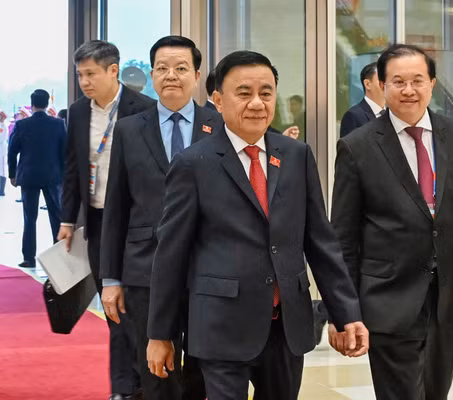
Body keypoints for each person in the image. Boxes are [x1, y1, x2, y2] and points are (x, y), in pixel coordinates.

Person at [146, 50, 368, 400]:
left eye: (266, 93)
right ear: (218, 100)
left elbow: (321, 243)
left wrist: (346, 313)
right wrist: (161, 334)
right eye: (244, 93)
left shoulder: (296, 155)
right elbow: (170, 255)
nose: (257, 103)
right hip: (221, 325)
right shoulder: (194, 164)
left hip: (287, 326)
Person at [330, 44, 453, 400]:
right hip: (388, 299)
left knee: (435, 391)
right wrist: (341, 310)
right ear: (381, 85)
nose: (408, 90)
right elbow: (343, 236)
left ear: (432, 83)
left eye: (417, 80)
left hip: (450, 299)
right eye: (398, 81)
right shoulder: (357, 147)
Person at [100, 35, 220, 400]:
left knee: (203, 368)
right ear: (152, 75)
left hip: (207, 268)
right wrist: (111, 278)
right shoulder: (129, 129)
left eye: (181, 68)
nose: (171, 75)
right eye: (162, 68)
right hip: (144, 268)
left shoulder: (218, 125)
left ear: (196, 76)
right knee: (154, 369)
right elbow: (116, 206)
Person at [57, 40, 155, 400]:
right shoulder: (78, 112)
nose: (85, 82)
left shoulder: (143, 109)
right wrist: (68, 220)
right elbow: (72, 169)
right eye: (80, 75)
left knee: (137, 307)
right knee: (111, 304)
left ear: (113, 71)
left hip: (136, 224)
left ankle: (144, 380)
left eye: (91, 74)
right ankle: (123, 387)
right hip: (98, 222)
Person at [7, 90, 66, 268]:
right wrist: (64, 175)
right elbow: (65, 151)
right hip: (52, 176)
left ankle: (29, 258)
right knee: (56, 217)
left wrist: (12, 174)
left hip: (29, 177)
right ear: (47, 104)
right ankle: (59, 257)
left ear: (32, 105)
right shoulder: (58, 124)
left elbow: (12, 151)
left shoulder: (22, 125)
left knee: (29, 218)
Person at [339, 62, 386, 137]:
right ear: (367, 84)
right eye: (382, 81)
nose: (386, 84)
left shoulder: (393, 114)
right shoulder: (353, 116)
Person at [0, 110, 8, 196]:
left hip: (1, 150)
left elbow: (1, 138)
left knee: (2, 170)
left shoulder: (2, 126)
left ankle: (1, 190)